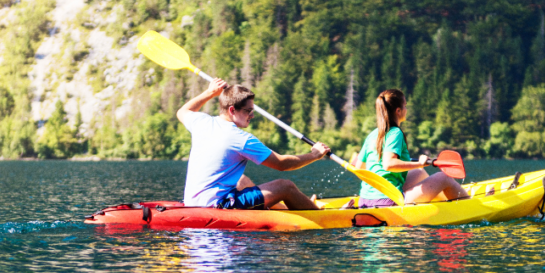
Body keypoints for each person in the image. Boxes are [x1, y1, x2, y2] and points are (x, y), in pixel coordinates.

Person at [178, 78, 329, 210]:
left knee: (241, 180)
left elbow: (183, 111)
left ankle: (287, 207)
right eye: (248, 111)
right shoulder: (241, 139)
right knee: (285, 186)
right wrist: (314, 154)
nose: (252, 115)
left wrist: (210, 92)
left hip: (193, 201)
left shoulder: (201, 122)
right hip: (219, 205)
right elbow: (282, 164)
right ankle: (319, 215)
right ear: (232, 110)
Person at [349, 89, 469, 207]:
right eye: (405, 106)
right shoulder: (395, 132)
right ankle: (470, 206)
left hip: (365, 201)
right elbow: (388, 164)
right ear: (398, 111)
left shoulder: (373, 134)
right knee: (444, 177)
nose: (406, 109)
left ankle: (445, 202)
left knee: (418, 173)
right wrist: (420, 163)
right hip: (387, 202)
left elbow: (360, 168)